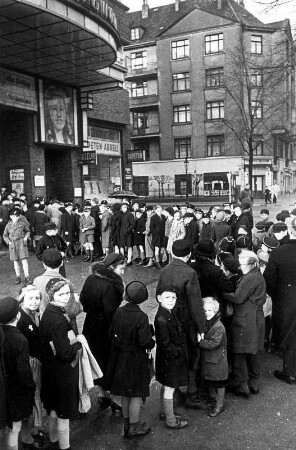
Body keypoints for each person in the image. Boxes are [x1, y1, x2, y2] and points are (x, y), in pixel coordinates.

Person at [156, 239, 206, 409]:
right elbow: (196, 303)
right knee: (191, 354)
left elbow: (158, 294)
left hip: (168, 316)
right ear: (189, 254)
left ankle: (173, 390)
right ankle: (191, 393)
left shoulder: (164, 270)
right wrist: (201, 327)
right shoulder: (190, 273)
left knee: (172, 354)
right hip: (185, 320)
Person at [106, 281, 155, 437]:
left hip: (120, 357)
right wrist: (152, 339)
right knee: (135, 394)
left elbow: (111, 332)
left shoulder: (119, 311)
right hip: (136, 359)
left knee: (125, 393)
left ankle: (126, 423)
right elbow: (144, 341)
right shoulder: (141, 317)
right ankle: (134, 426)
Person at [39, 279, 82, 450]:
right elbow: (65, 352)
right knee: (63, 415)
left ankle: (53, 441)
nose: (65, 297)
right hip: (62, 374)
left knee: (53, 411)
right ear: (51, 296)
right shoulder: (57, 320)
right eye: (60, 294)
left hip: (50, 371)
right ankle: (65, 447)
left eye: (67, 293)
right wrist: (78, 344)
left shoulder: (48, 313)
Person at [80, 253, 125, 412]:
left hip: (90, 326)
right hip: (106, 330)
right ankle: (115, 400)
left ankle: (101, 395)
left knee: (97, 359)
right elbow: (111, 313)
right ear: (112, 268)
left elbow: (83, 303)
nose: (123, 271)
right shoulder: (111, 285)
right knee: (110, 361)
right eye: (121, 267)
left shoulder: (91, 278)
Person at [224, 251, 266, 397]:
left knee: (239, 351)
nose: (240, 267)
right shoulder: (257, 275)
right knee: (252, 351)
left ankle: (242, 384)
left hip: (245, 318)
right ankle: (254, 383)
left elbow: (237, 298)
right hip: (255, 317)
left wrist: (223, 293)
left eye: (242, 264)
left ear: (252, 264)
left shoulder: (250, 278)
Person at [0, 296, 35, 450]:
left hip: (5, 387)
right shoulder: (20, 339)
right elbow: (23, 371)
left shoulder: (3, 335)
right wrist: (30, 386)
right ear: (18, 315)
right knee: (16, 426)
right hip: (17, 390)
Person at [264, 217, 296, 383]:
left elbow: (269, 279)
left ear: (290, 230)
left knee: (290, 336)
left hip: (286, 298)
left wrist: (277, 295)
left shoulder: (279, 252)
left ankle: (289, 373)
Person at [17, 285, 47, 448]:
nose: (35, 302)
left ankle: (34, 430)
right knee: (29, 400)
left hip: (36, 360)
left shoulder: (33, 314)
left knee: (35, 398)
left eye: (37, 298)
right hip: (28, 364)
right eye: (30, 298)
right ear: (22, 300)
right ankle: (27, 438)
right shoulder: (20, 319)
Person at [154, 287, 189, 429]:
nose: (171, 301)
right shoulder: (162, 318)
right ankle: (170, 420)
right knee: (170, 388)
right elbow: (166, 345)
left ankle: (164, 411)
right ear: (159, 298)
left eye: (173, 298)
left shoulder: (167, 313)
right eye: (167, 297)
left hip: (167, 358)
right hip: (171, 359)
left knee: (167, 385)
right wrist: (179, 351)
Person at [198, 297, 228, 417]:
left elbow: (214, 344)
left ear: (215, 311)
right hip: (211, 360)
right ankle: (214, 401)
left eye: (209, 311)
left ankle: (219, 405)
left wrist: (200, 342)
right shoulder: (209, 322)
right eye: (204, 311)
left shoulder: (219, 326)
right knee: (211, 381)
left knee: (219, 383)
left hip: (217, 360)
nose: (206, 313)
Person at [3, 208, 31, 284]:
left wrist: (26, 237)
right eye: (13, 216)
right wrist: (8, 242)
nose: (15, 218)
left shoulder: (22, 223)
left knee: (24, 260)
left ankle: (27, 277)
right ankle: (18, 277)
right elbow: (5, 235)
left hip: (21, 243)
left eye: (17, 216)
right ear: (10, 216)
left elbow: (27, 231)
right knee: (15, 261)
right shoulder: (8, 225)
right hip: (12, 244)